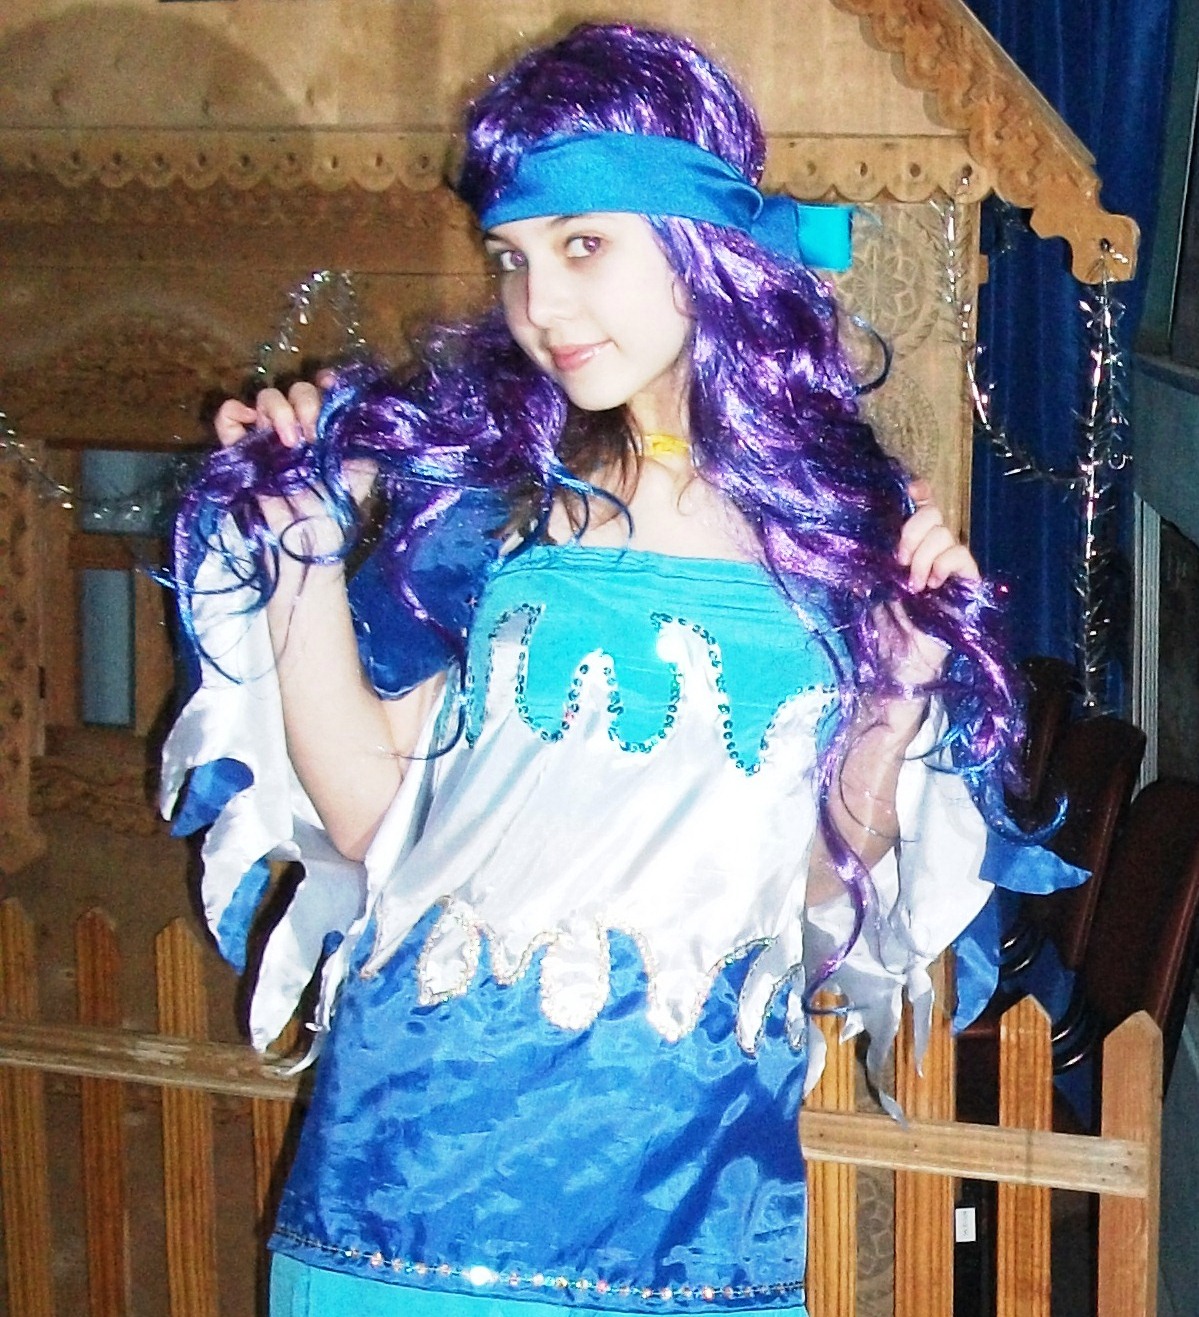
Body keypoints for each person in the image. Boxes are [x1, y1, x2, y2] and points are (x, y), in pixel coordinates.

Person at [161, 22, 1081, 1317]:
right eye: (512, 258)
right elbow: (374, 817)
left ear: (702, 239)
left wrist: (895, 691)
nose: (540, 306)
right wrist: (301, 551)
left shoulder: (842, 537)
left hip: (686, 1205)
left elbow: (825, 900)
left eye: (583, 244)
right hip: (403, 1181)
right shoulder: (498, 508)